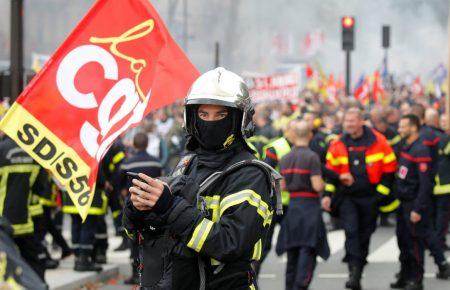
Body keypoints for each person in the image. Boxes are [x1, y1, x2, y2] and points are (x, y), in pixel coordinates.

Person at [123, 67, 280, 289]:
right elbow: (147, 235)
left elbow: (230, 244)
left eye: (221, 115)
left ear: (239, 119)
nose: (211, 122)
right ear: (192, 117)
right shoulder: (187, 163)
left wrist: (170, 207)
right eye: (204, 114)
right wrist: (138, 210)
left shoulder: (250, 174)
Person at [323, 107, 397, 290]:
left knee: (366, 233)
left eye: (352, 121)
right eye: (346, 121)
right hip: (347, 197)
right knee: (351, 232)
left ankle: (359, 261)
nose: (348, 124)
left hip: (371, 197)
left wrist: (380, 194)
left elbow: (389, 168)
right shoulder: (338, 143)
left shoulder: (379, 141)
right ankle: (354, 275)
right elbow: (331, 172)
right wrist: (327, 194)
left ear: (361, 122)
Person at [278, 120, 330, 290]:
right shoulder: (312, 157)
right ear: (310, 135)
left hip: (293, 207)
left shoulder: (286, 158)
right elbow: (317, 185)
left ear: (294, 136)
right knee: (308, 250)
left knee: (292, 251)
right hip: (310, 207)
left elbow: (282, 186)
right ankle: (300, 286)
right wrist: (324, 186)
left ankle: (290, 286)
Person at [390, 114, 434, 290]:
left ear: (413, 127)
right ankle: (405, 275)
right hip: (403, 203)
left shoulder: (420, 150)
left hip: (413, 204)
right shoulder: (406, 147)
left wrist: (417, 208)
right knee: (403, 241)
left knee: (415, 243)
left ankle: (417, 279)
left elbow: (425, 184)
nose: (400, 130)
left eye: (403, 127)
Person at [0, 135, 50, 285]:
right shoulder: (34, 153)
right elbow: (40, 188)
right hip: (25, 223)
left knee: (6, 268)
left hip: (2, 225)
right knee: (33, 264)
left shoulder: (1, 149)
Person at [118, 132, 163, 285]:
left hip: (134, 207)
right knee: (151, 239)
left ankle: (135, 273)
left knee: (133, 240)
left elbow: (121, 184)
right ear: (147, 143)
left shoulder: (128, 163)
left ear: (135, 145)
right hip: (153, 207)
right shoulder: (156, 163)